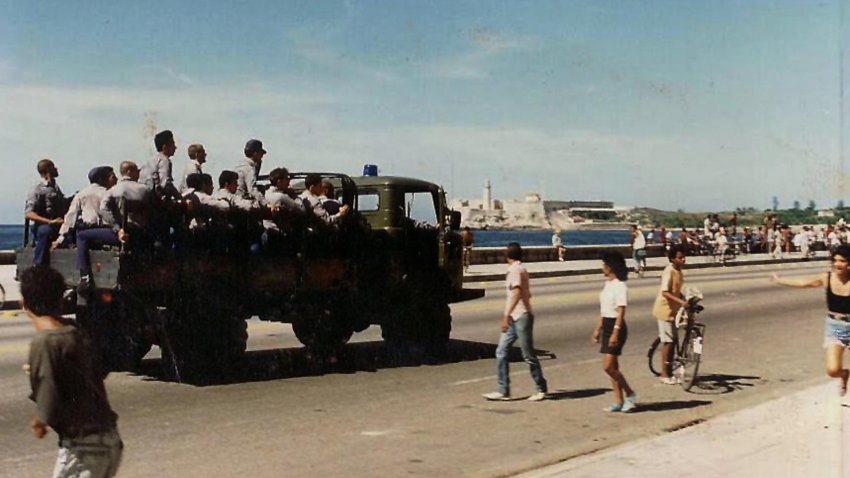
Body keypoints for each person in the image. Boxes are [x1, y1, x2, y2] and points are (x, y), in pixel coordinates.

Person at [20, 266, 123, 477]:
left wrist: (39, 422)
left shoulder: (45, 342)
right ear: (61, 300)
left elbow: (47, 397)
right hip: (109, 439)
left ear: (25, 305)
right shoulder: (75, 331)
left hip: (84, 447)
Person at [771, 244, 850, 396]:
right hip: (835, 327)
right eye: (835, 260)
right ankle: (844, 375)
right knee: (833, 370)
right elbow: (804, 283)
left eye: (842, 261)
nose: (837, 264)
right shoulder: (827, 277)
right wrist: (779, 280)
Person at [483, 242, 548, 402]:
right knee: (501, 351)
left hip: (521, 317)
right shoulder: (520, 269)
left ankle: (541, 388)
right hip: (515, 317)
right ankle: (503, 390)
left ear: (507, 256)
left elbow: (517, 293)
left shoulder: (515, 270)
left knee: (528, 355)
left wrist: (506, 315)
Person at [592, 252, 637, 412]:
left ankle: (630, 393)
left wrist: (615, 333)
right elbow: (604, 311)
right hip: (606, 324)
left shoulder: (620, 286)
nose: (602, 268)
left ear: (611, 267)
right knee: (613, 367)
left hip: (616, 327)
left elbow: (620, 312)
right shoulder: (608, 284)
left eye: (604, 265)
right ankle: (618, 401)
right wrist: (598, 329)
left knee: (608, 366)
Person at [652, 244, 689, 384]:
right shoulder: (669, 271)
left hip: (673, 311)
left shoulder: (679, 271)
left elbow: (676, 289)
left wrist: (684, 298)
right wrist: (681, 301)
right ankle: (664, 374)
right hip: (664, 311)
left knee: (673, 341)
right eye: (680, 258)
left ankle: (668, 371)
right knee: (668, 343)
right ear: (672, 259)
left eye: (684, 257)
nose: (683, 260)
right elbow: (665, 292)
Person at [24, 159, 67, 266]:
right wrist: (50, 222)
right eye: (53, 167)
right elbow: (29, 214)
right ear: (48, 170)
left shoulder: (55, 187)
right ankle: (38, 265)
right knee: (45, 232)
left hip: (60, 223)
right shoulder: (37, 189)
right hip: (45, 224)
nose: (56, 169)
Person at [139, 129, 179, 199]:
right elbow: (165, 184)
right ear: (164, 147)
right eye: (172, 144)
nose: (175, 147)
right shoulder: (165, 160)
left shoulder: (151, 160)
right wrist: (179, 197)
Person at [235, 139, 266, 203]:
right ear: (255, 153)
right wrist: (266, 203)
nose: (262, 156)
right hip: (241, 199)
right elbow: (252, 190)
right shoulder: (250, 169)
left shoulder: (240, 165)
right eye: (261, 153)